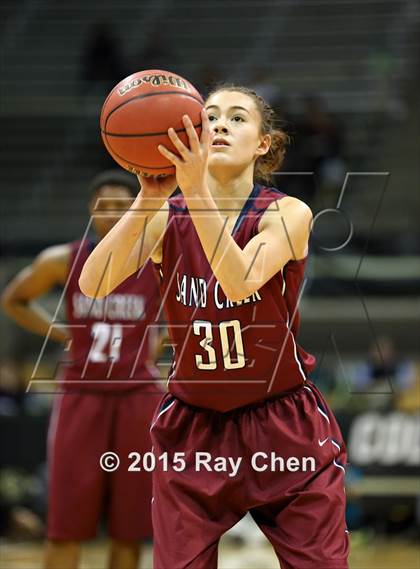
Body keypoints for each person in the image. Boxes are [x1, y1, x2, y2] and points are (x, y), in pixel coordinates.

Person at [79, 88, 349, 569]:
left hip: (283, 423)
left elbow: (240, 280)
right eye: (210, 117)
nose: (220, 125)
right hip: (194, 427)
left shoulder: (287, 213)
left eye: (237, 118)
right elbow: (93, 284)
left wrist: (194, 191)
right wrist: (147, 197)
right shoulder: (167, 214)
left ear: (263, 144)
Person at [1, 170, 164, 569]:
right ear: (91, 209)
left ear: (136, 211)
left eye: (122, 206)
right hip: (81, 394)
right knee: (65, 522)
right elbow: (15, 299)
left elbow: (194, 305)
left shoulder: (158, 260)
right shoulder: (63, 259)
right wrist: (61, 334)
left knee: (130, 525)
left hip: (137, 395)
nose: (112, 213)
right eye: (103, 205)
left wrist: (158, 342)